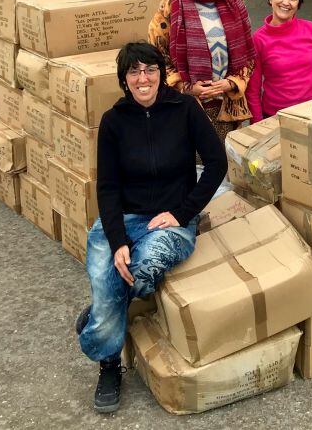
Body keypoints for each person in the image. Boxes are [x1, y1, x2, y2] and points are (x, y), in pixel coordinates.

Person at [75, 42, 227, 412]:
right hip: (126, 217)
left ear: (161, 73)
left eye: (150, 69)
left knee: (139, 271)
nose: (143, 78)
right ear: (124, 80)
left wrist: (182, 212)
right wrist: (117, 240)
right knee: (108, 268)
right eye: (134, 71)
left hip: (173, 220)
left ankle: (101, 317)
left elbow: (217, 163)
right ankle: (109, 365)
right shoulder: (114, 121)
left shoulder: (185, 108)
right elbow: (107, 187)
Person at [148, 0, 256, 141]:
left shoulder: (235, 3)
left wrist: (232, 83)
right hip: (188, 105)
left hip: (227, 106)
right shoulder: (172, 5)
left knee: (226, 164)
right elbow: (158, 56)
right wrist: (186, 87)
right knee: (192, 166)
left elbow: (249, 56)